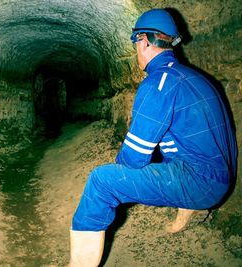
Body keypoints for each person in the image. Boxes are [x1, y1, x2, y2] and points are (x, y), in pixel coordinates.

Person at [68, 8, 237, 267]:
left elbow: (133, 160)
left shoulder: (157, 83)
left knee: (101, 182)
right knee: (176, 147)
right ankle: (185, 211)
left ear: (143, 41)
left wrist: (119, 179)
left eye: (136, 43)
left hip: (202, 184)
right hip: (223, 175)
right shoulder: (198, 78)